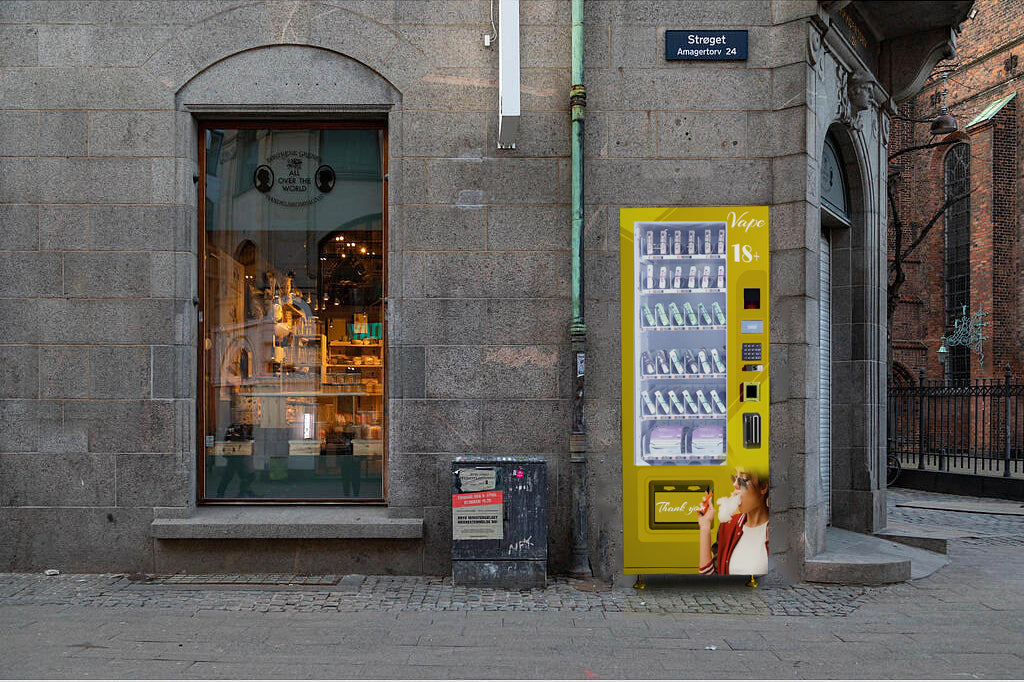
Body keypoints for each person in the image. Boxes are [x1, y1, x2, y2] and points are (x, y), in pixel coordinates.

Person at [697, 468, 768, 575]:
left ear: (763, 487)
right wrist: (705, 527)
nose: (735, 484)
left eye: (744, 479)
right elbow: (712, 585)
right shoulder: (728, 527)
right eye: (735, 478)